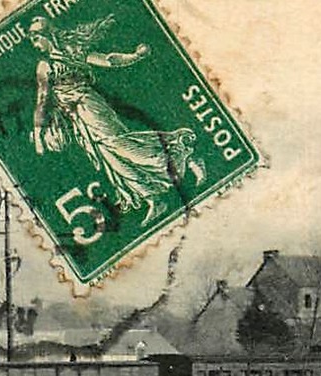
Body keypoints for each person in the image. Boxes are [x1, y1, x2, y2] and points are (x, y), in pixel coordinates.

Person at [28, 14, 200, 226]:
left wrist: (134, 56)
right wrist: (38, 134)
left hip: (90, 106)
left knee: (119, 145)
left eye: (36, 38)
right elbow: (42, 99)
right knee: (110, 157)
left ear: (48, 35)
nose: (35, 44)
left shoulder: (71, 53)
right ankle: (152, 199)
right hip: (78, 119)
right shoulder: (44, 66)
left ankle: (180, 150)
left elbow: (108, 59)